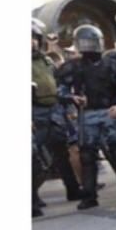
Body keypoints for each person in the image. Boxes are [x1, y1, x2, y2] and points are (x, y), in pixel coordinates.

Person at [56, 25, 116, 209]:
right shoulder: (72, 66)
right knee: (87, 155)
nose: (88, 46)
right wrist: (73, 97)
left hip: (109, 110)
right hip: (87, 113)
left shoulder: (112, 64)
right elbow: (60, 89)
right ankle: (89, 195)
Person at [32, 18, 82, 209]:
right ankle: (32, 198)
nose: (32, 42)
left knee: (61, 151)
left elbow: (58, 83)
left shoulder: (45, 60)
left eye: (33, 38)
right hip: (33, 111)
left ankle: (73, 187)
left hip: (53, 110)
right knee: (34, 157)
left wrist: (69, 98)